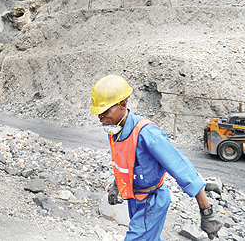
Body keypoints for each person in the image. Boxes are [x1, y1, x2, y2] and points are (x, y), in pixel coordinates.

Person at [89, 74, 222, 240]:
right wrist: (117, 185)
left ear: (123, 104)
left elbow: (181, 168)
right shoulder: (115, 131)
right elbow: (125, 163)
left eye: (105, 111)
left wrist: (206, 213)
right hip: (135, 200)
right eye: (98, 113)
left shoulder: (147, 133)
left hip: (151, 202)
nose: (100, 117)